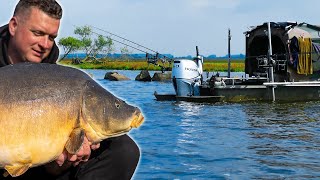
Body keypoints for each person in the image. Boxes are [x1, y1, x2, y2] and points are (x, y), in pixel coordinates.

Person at [0, 0, 140, 179]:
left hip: (35, 166)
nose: (44, 44)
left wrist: (62, 163)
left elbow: (51, 167)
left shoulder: (59, 77)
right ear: (13, 26)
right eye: (38, 33)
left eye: (51, 37)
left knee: (123, 150)